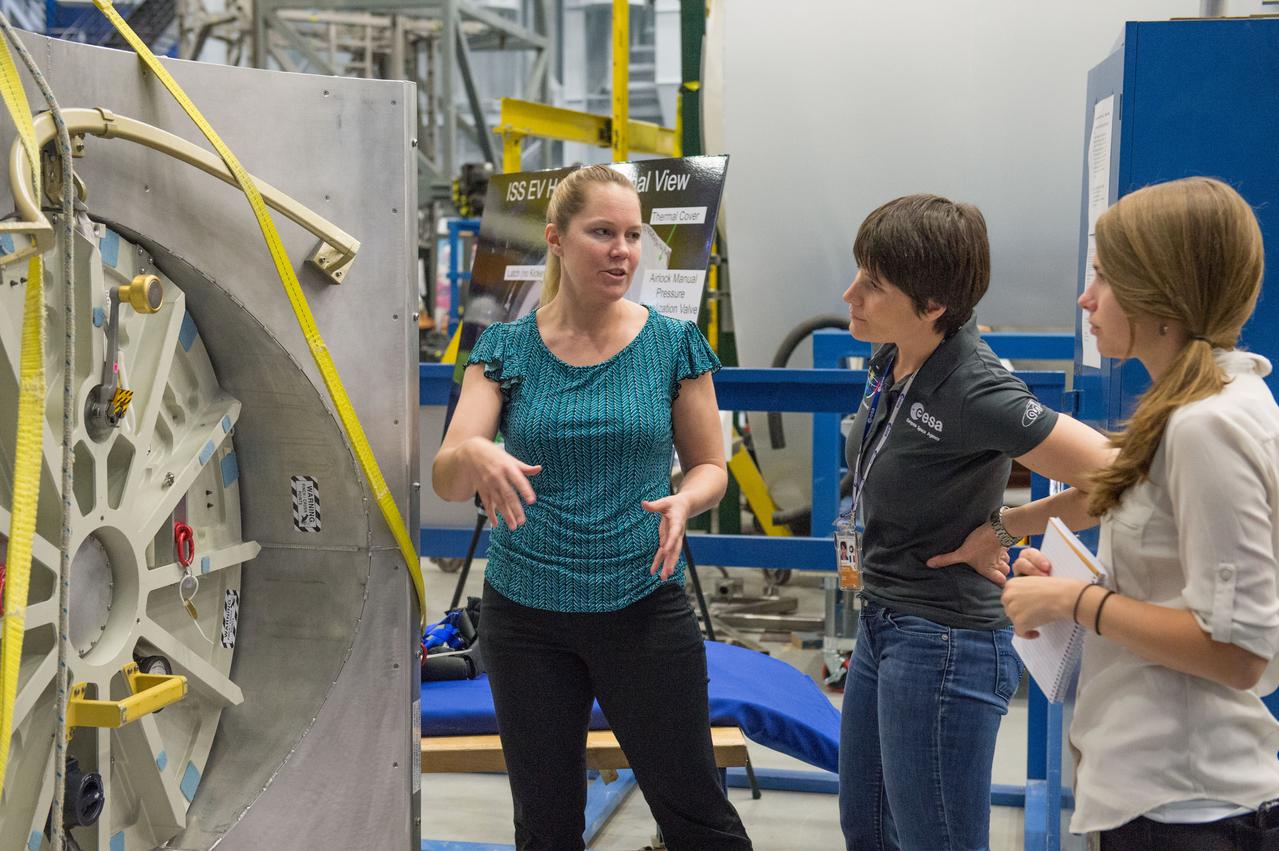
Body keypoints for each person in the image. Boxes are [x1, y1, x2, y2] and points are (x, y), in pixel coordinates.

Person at [431, 164, 752, 851]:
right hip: (526, 618)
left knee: (695, 813)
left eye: (634, 235)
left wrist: (686, 499)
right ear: (555, 239)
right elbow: (448, 477)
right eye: (602, 232)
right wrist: (476, 455)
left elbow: (710, 467)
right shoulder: (505, 350)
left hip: (642, 603)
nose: (622, 251)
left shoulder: (672, 344)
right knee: (544, 823)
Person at [1001, 176, 1279, 849]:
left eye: (1104, 275)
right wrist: (1048, 568)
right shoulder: (1197, 408)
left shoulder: (1204, 425)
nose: (1085, 297)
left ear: (1160, 297)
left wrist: (1074, 600)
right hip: (1155, 791)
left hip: (1187, 803)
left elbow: (1238, 652)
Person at [837, 194, 1112, 850]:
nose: (849, 293)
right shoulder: (894, 354)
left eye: (872, 285)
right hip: (883, 621)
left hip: (941, 641)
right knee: (867, 831)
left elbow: (1112, 475)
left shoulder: (974, 387)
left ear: (932, 305)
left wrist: (1009, 524)